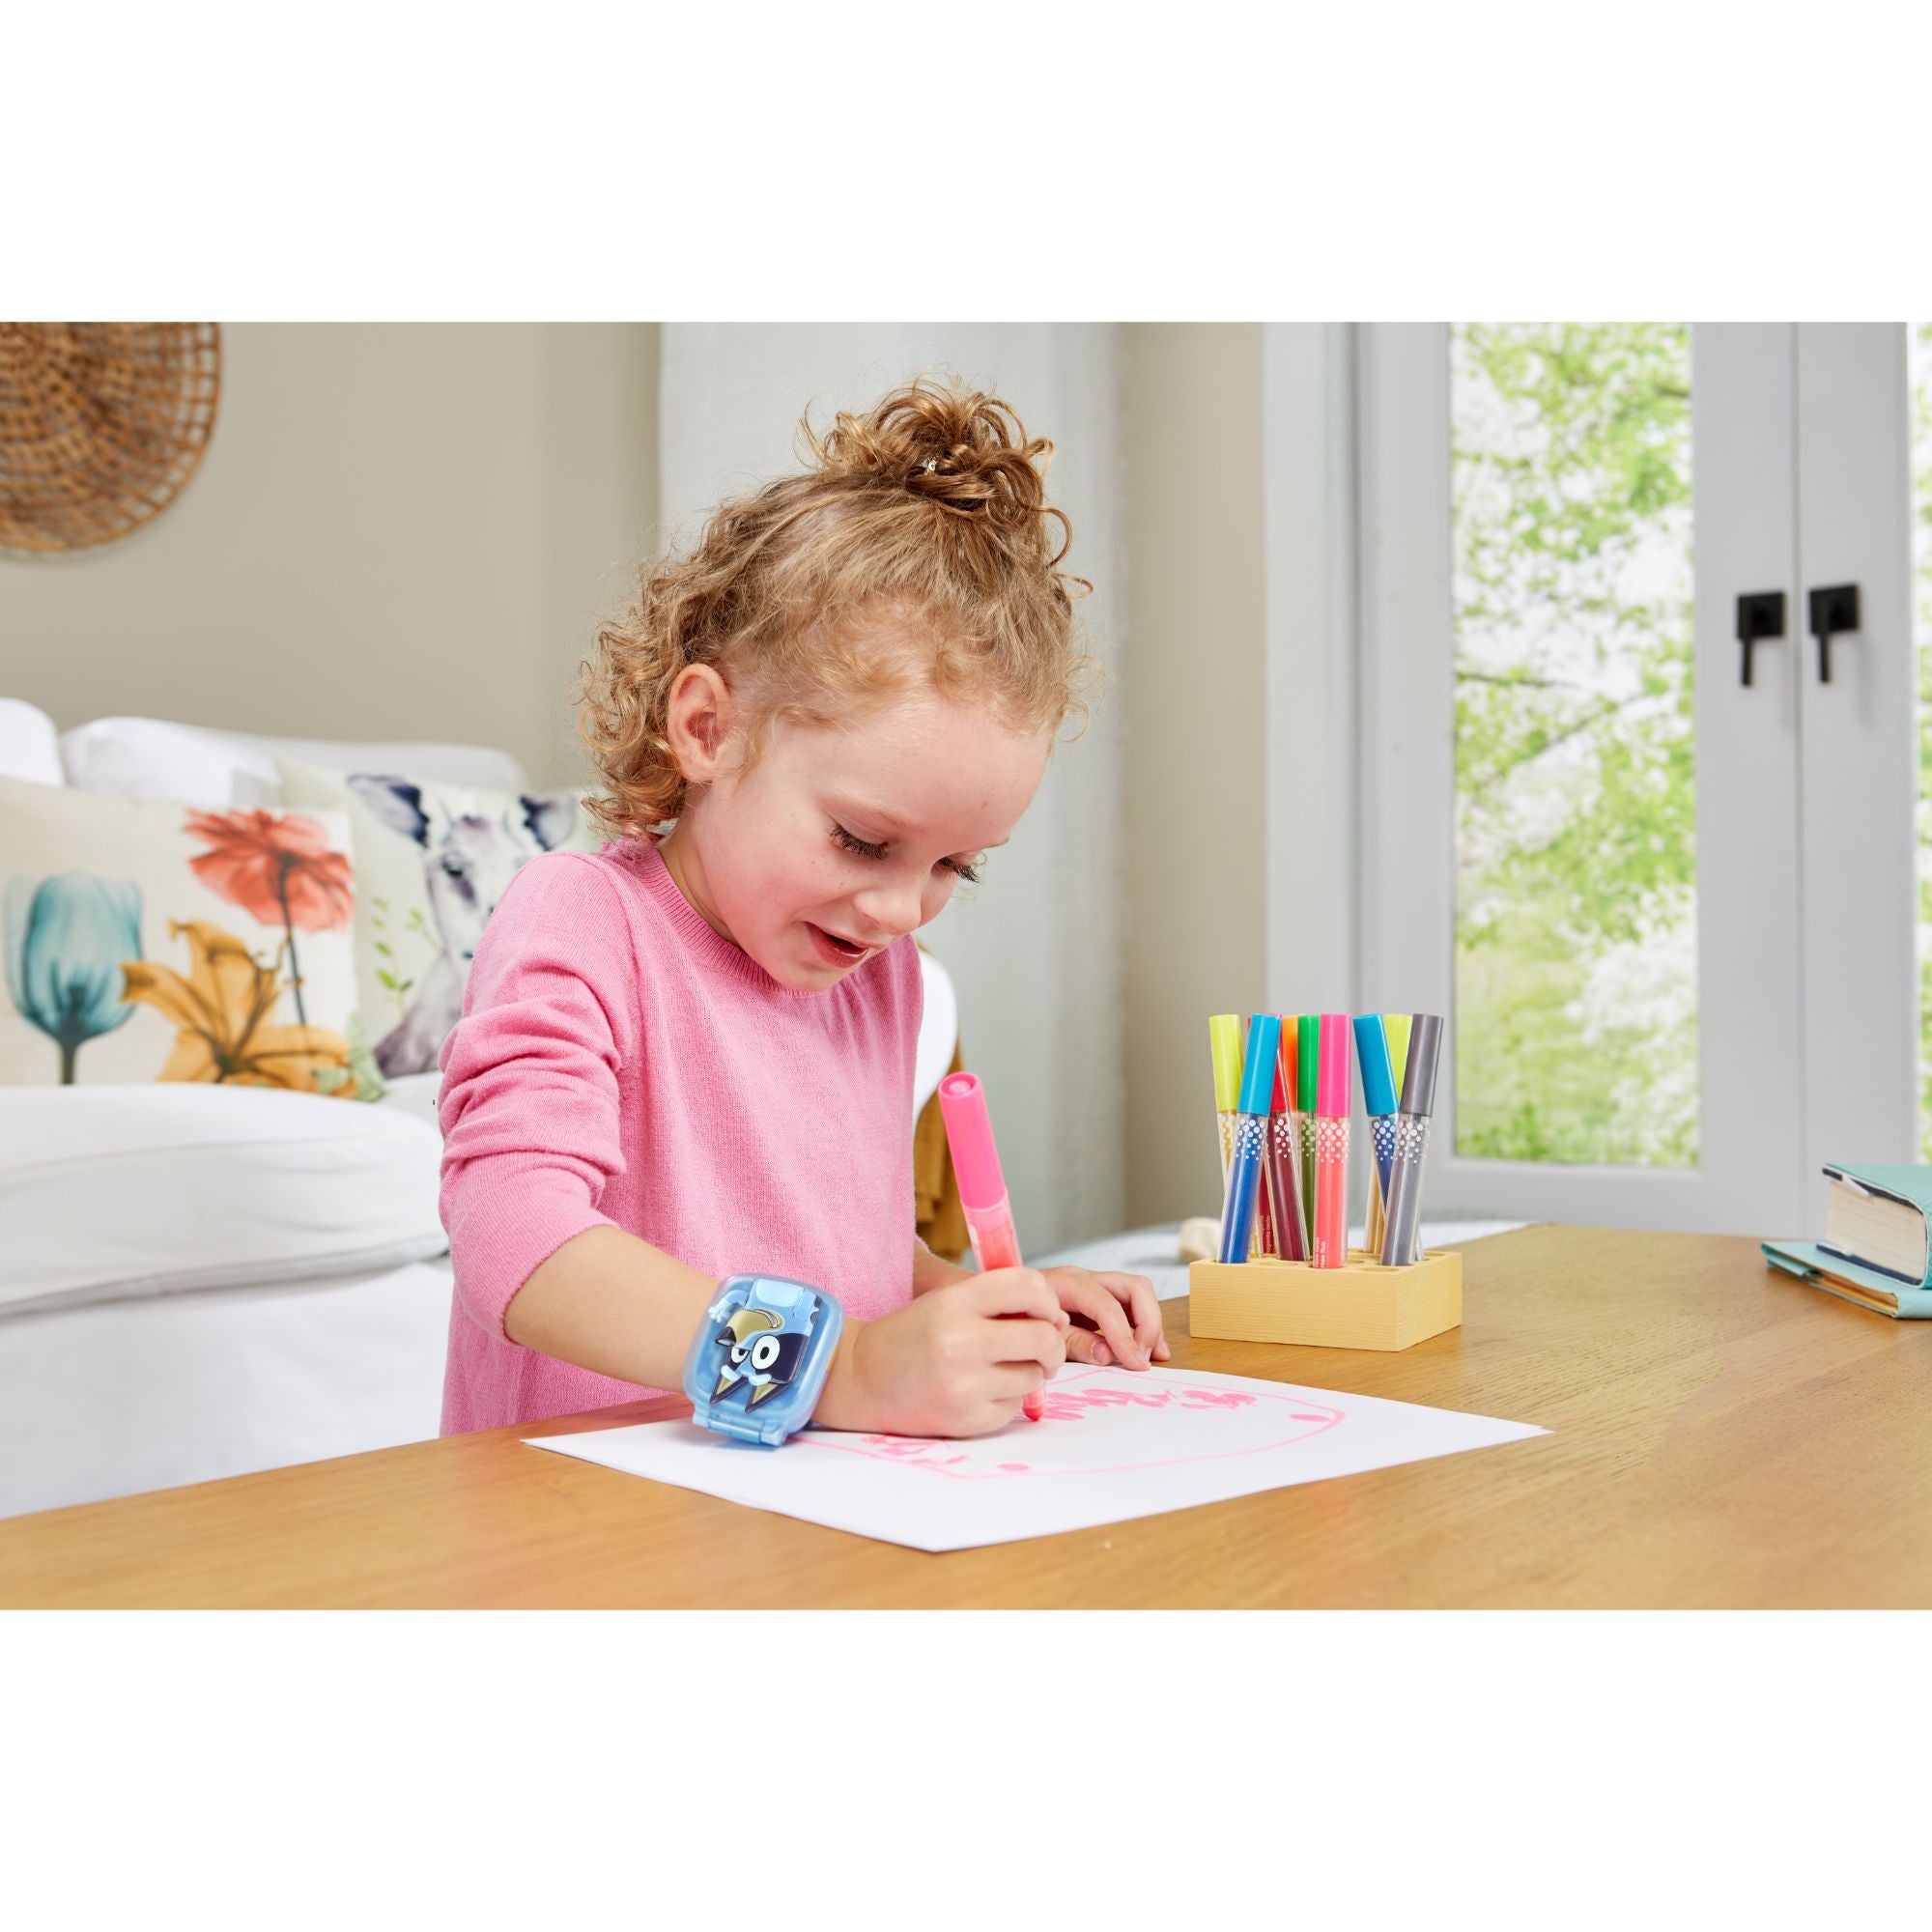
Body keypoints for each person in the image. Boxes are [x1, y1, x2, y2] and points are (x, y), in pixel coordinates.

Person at [436, 377, 1166, 1440]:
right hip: (584, 1515)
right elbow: (512, 1232)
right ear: (706, 729)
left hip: (800, 1513)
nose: (902, 909)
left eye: (955, 866)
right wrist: (840, 1369)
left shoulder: (881, 976)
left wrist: (969, 1305)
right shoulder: (582, 919)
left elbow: (843, 1251)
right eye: (862, 841)